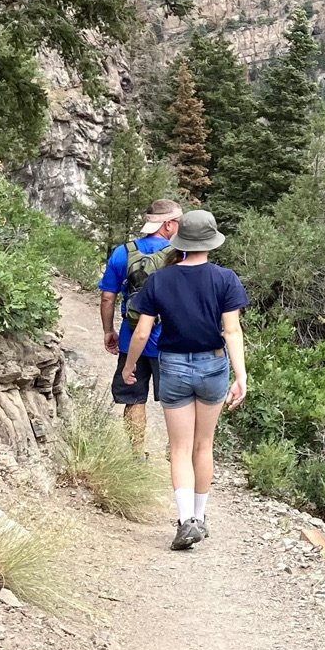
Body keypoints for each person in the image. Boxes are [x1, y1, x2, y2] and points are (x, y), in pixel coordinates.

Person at [121, 209, 249, 550]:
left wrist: (130, 366)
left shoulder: (160, 280)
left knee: (179, 448)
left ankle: (185, 520)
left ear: (181, 241)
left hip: (174, 366)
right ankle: (201, 518)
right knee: (203, 445)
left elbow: (142, 330)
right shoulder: (225, 279)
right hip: (213, 366)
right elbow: (232, 330)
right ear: (211, 242)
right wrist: (241, 375)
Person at [98, 198, 183, 453]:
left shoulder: (123, 251)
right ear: (168, 225)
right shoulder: (180, 255)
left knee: (134, 397)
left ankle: (137, 455)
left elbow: (107, 296)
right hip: (169, 342)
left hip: (130, 337)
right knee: (175, 401)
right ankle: (174, 452)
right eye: (178, 222)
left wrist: (108, 330)